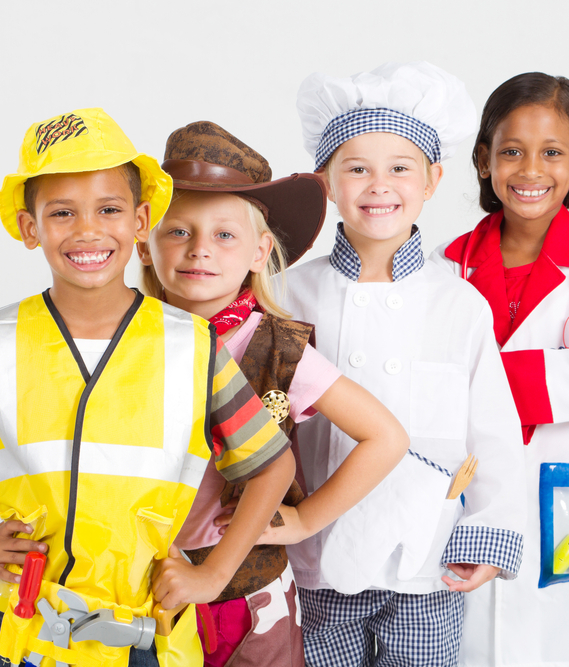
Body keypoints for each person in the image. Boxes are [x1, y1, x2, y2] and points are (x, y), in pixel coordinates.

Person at [0, 108, 295, 667]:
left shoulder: (191, 347)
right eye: (62, 213)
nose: (88, 230)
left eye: (109, 209)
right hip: (29, 638)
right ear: (31, 228)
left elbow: (272, 464)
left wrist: (214, 573)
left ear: (141, 220)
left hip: (150, 637)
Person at [137, 120, 409, 666]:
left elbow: (386, 436)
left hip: (245, 595)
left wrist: (306, 521)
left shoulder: (275, 350)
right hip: (140, 581)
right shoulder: (126, 340)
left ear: (260, 251)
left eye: (224, 235)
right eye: (178, 231)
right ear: (145, 243)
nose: (199, 251)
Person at [285, 61, 527, 667]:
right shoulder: (290, 295)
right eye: (357, 168)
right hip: (318, 552)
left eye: (399, 169)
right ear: (326, 182)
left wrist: (488, 537)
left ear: (432, 180)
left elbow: (492, 431)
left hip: (425, 552)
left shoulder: (458, 302)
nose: (378, 185)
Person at [433, 72, 569, 666]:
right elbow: (433, 385)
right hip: (472, 497)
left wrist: (483, 384)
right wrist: (531, 375)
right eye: (511, 152)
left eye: (552, 152)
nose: (530, 171)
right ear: (483, 160)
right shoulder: (448, 265)